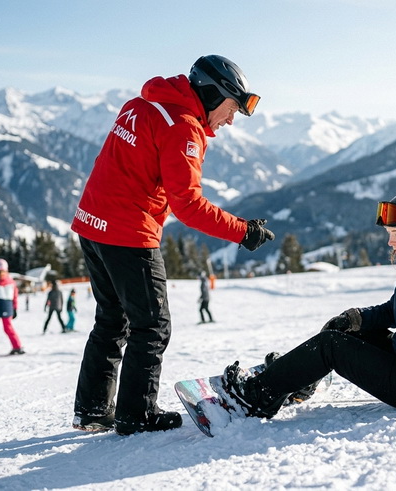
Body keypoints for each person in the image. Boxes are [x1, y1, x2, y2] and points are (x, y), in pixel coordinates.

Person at [70, 54, 274, 436]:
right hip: (128, 233)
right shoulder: (183, 127)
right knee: (152, 326)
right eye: (232, 109)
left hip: (92, 224)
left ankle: (93, 410)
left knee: (112, 319)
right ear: (213, 94)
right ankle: (136, 414)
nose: (231, 121)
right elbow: (189, 206)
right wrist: (243, 231)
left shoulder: (141, 104)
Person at [222, 181, 396, 426]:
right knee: (342, 330)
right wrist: (357, 318)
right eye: (389, 233)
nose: (390, 241)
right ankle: (298, 383)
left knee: (330, 346)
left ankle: (258, 396)